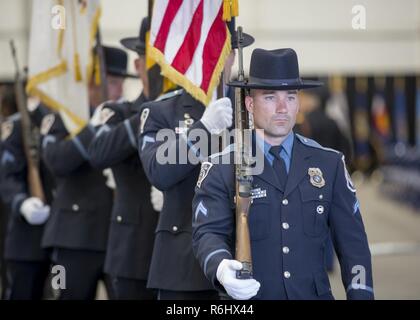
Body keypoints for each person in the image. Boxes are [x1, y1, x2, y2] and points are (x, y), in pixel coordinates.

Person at [192, 48, 374, 300]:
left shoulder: (329, 163)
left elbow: (354, 246)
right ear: (249, 103)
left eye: (290, 97)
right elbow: (207, 234)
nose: (282, 108)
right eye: (269, 97)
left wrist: (361, 295)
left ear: (298, 102)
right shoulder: (222, 167)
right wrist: (221, 267)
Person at [137, 22, 254, 300]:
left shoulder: (253, 108)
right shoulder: (160, 110)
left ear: (233, 57)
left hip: (248, 257)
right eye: (207, 47)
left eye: (223, 49)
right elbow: (158, 172)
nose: (215, 57)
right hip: (183, 263)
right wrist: (202, 130)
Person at [40, 46, 133, 300]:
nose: (119, 91)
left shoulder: (123, 118)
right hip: (73, 238)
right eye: (113, 82)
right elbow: (57, 160)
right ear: (92, 83)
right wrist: (93, 129)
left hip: (116, 236)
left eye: (120, 83)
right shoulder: (64, 117)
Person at [88, 17, 159, 300]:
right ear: (138, 65)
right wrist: (148, 115)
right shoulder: (120, 113)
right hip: (133, 253)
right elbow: (98, 153)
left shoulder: (192, 117)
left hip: (182, 255)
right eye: (152, 60)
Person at [0, 86, 55, 299]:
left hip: (62, 241)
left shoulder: (70, 122)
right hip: (27, 242)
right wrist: (21, 202)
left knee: (61, 292)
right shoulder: (18, 125)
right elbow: (6, 175)